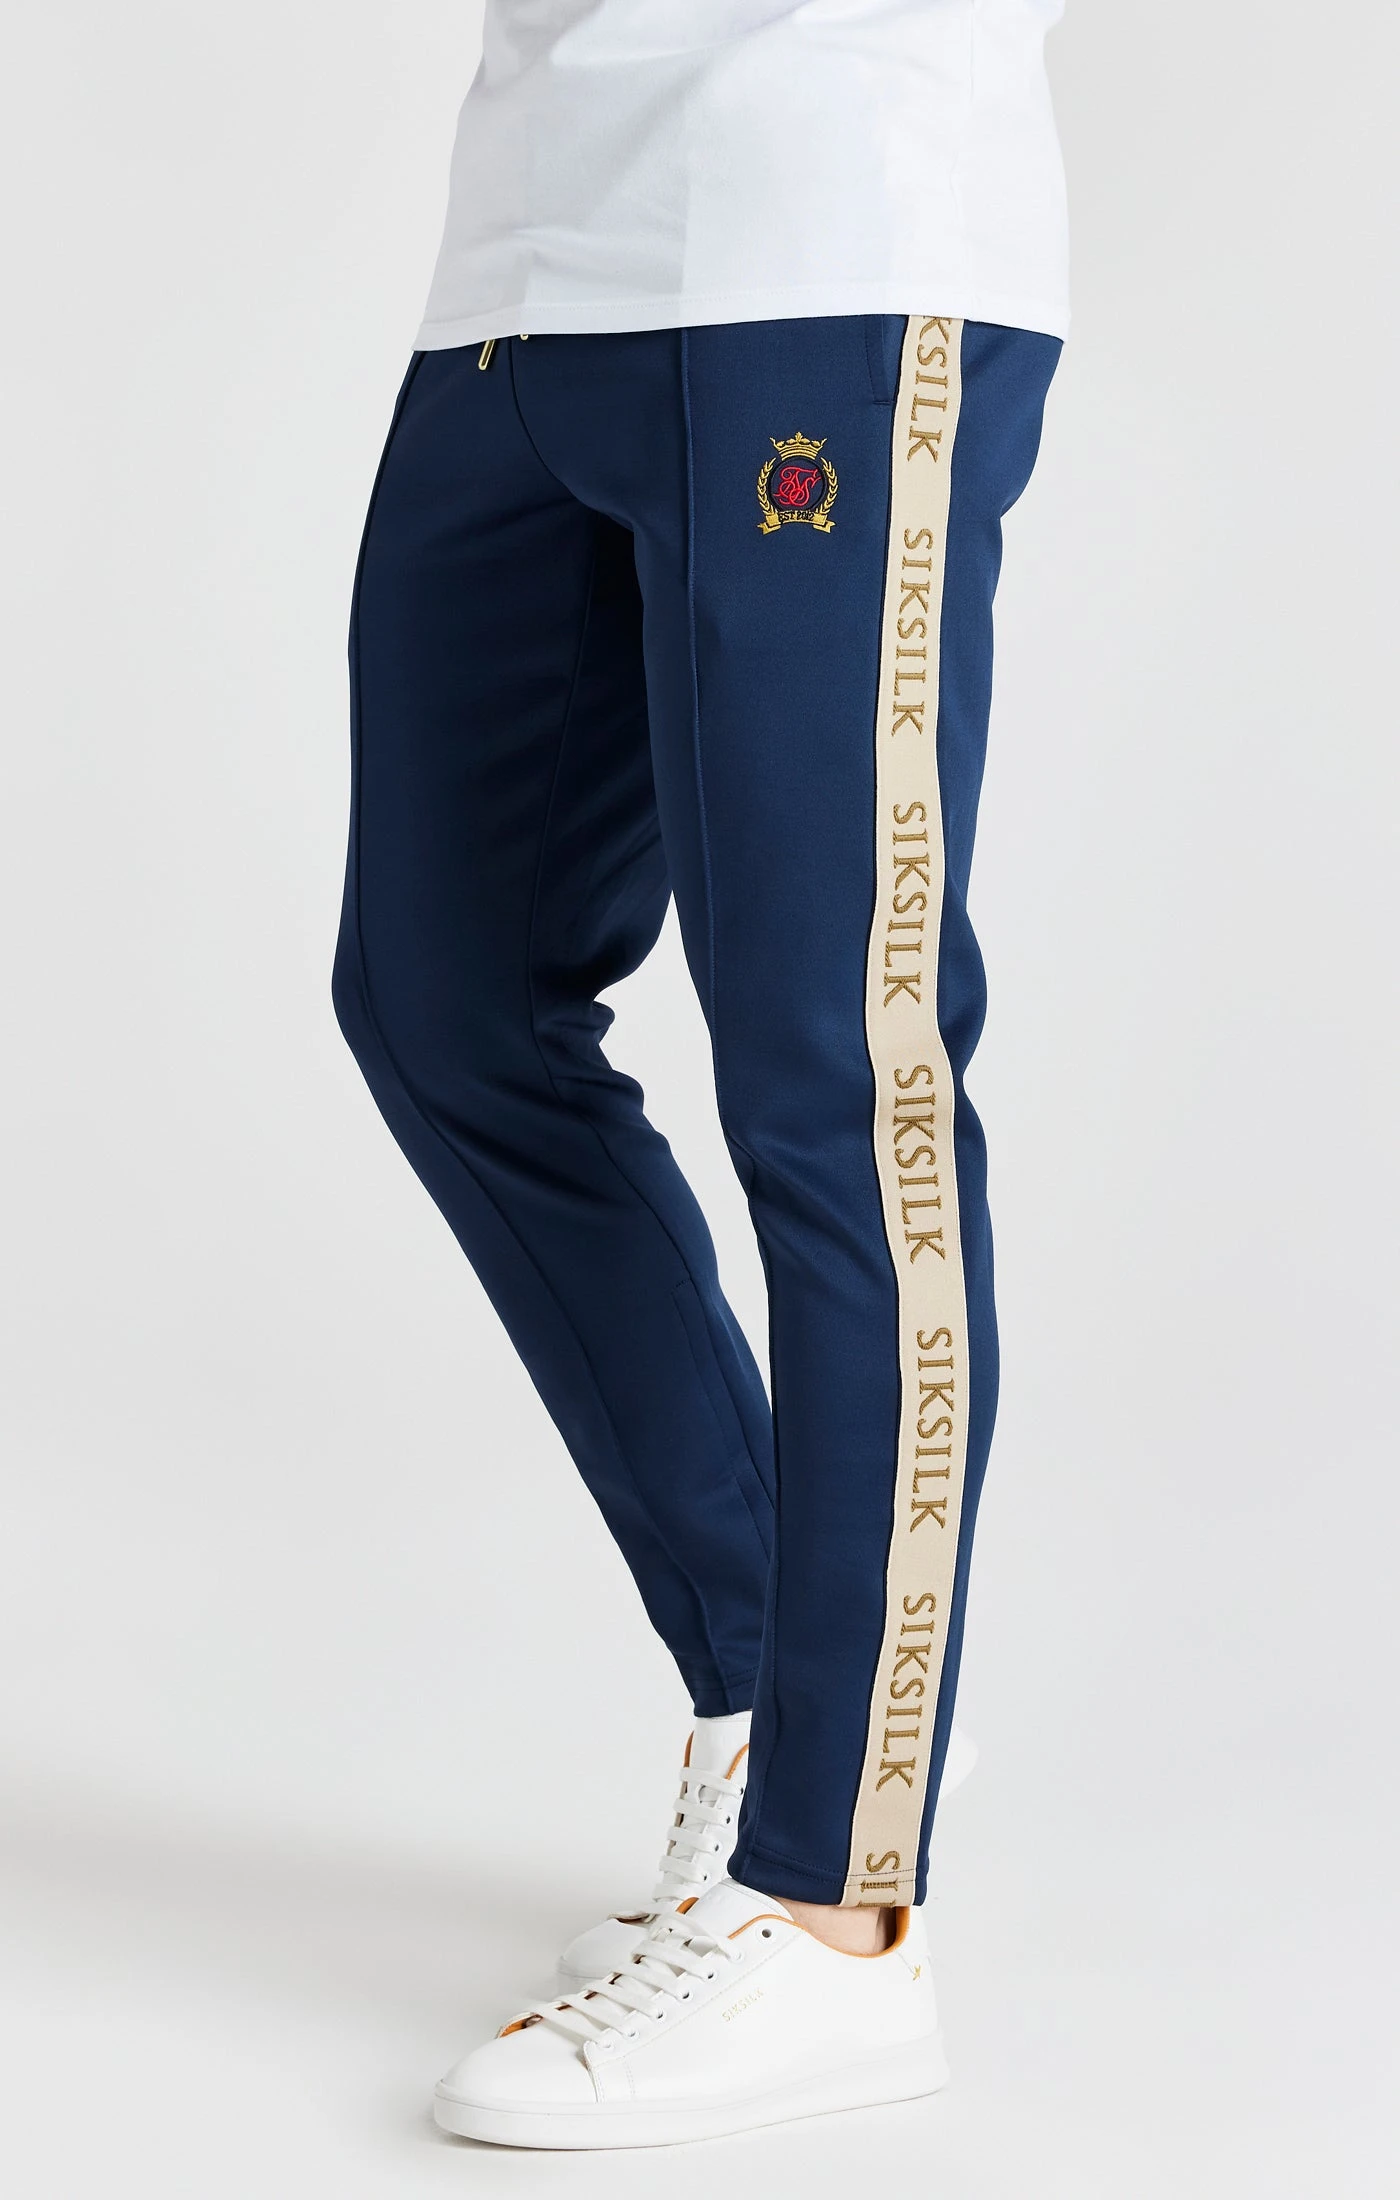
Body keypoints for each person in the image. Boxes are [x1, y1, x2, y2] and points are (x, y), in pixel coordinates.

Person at [333, 0, 1069, 2152]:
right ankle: (778, 1685)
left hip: (827, 210)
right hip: (529, 253)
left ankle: (835, 1909)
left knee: (840, 1066)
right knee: (447, 999)